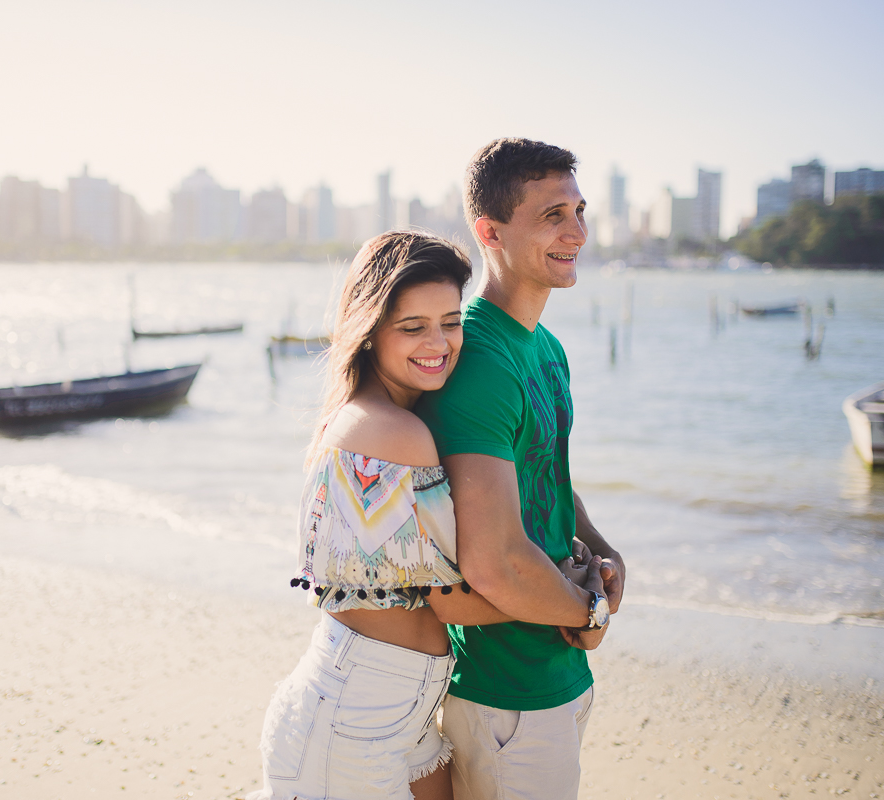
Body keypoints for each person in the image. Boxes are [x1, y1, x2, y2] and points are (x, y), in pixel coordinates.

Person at [249, 231, 609, 800]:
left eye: (450, 321)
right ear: (369, 334)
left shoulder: (376, 417)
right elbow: (452, 597)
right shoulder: (396, 433)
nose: (439, 343)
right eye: (412, 327)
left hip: (398, 707)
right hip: (353, 718)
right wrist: (577, 603)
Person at [415, 138, 627, 800]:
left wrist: (603, 551)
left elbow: (546, 474)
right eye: (553, 216)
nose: (578, 233)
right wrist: (589, 613)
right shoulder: (479, 360)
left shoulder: (547, 347)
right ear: (491, 232)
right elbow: (495, 561)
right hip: (507, 691)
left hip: (556, 673)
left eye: (580, 211)